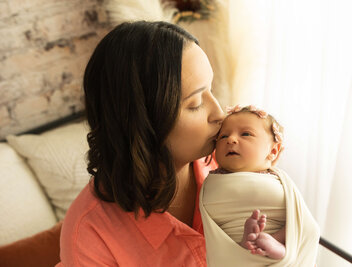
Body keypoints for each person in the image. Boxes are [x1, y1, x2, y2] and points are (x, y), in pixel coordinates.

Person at [56, 21, 226, 266]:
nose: (219, 113)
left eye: (211, 90)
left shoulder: (228, 158)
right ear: (143, 121)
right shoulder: (90, 234)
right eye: (196, 102)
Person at [199, 105, 320, 266]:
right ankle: (250, 246)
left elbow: (304, 224)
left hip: (283, 243)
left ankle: (273, 243)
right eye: (223, 136)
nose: (231, 139)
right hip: (230, 249)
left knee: (301, 228)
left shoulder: (279, 179)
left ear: (273, 151)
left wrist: (280, 236)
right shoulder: (214, 181)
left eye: (246, 134)